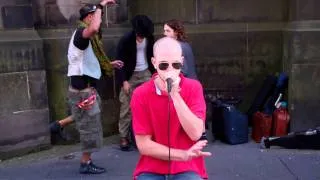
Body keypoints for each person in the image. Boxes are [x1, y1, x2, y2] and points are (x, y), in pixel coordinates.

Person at [131, 37, 211, 180]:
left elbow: (196, 133)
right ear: (154, 63)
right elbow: (143, 145)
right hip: (152, 168)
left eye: (175, 64)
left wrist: (175, 95)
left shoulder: (193, 87)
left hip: (187, 168)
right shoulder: (140, 94)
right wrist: (182, 155)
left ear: (181, 61)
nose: (170, 70)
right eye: (163, 65)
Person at [66, 0, 123, 174]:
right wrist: (101, 5)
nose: (100, 19)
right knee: (90, 129)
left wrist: (108, 64)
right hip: (84, 93)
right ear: (89, 17)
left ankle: (58, 125)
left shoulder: (84, 37)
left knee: (87, 121)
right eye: (97, 16)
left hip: (86, 90)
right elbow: (95, 28)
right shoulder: (81, 34)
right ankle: (85, 163)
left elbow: (88, 59)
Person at [116, 15, 155, 151]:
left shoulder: (149, 37)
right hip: (130, 75)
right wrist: (124, 81)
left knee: (150, 105)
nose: (141, 38)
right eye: (140, 35)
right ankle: (123, 137)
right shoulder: (126, 40)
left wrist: (155, 74)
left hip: (146, 73)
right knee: (126, 107)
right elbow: (119, 62)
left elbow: (152, 55)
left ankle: (149, 134)